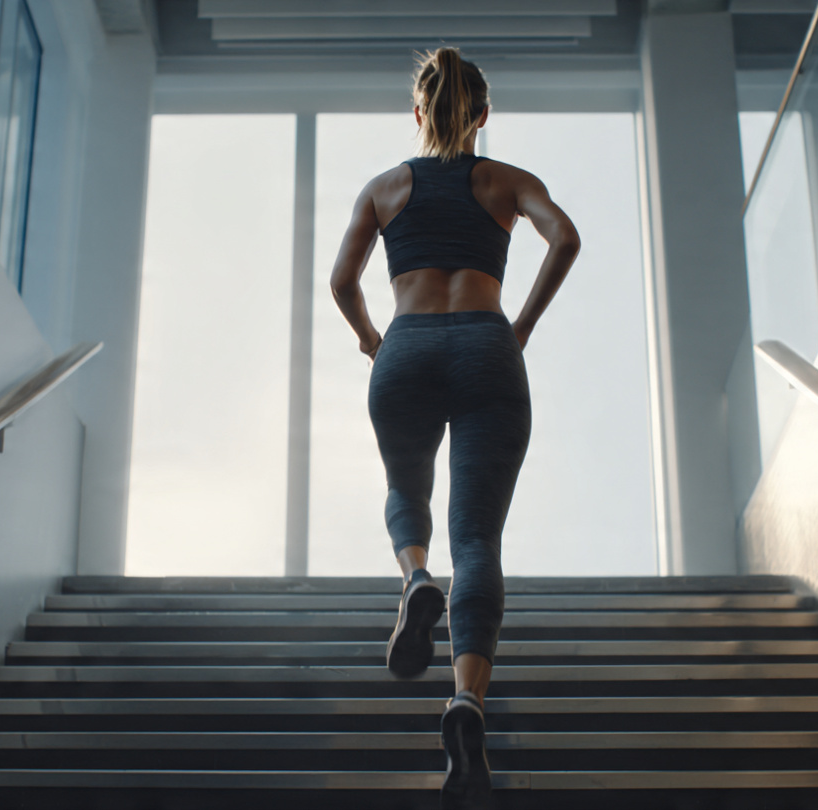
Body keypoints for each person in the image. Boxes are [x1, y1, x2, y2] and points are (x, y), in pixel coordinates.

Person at [328, 47, 580, 810]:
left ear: (418, 113)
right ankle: (466, 700)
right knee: (478, 540)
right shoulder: (506, 181)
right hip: (485, 346)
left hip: (405, 348)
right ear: (481, 114)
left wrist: (374, 339)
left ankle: (412, 579)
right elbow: (564, 237)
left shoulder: (384, 188)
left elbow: (341, 282)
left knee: (407, 491)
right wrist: (522, 325)